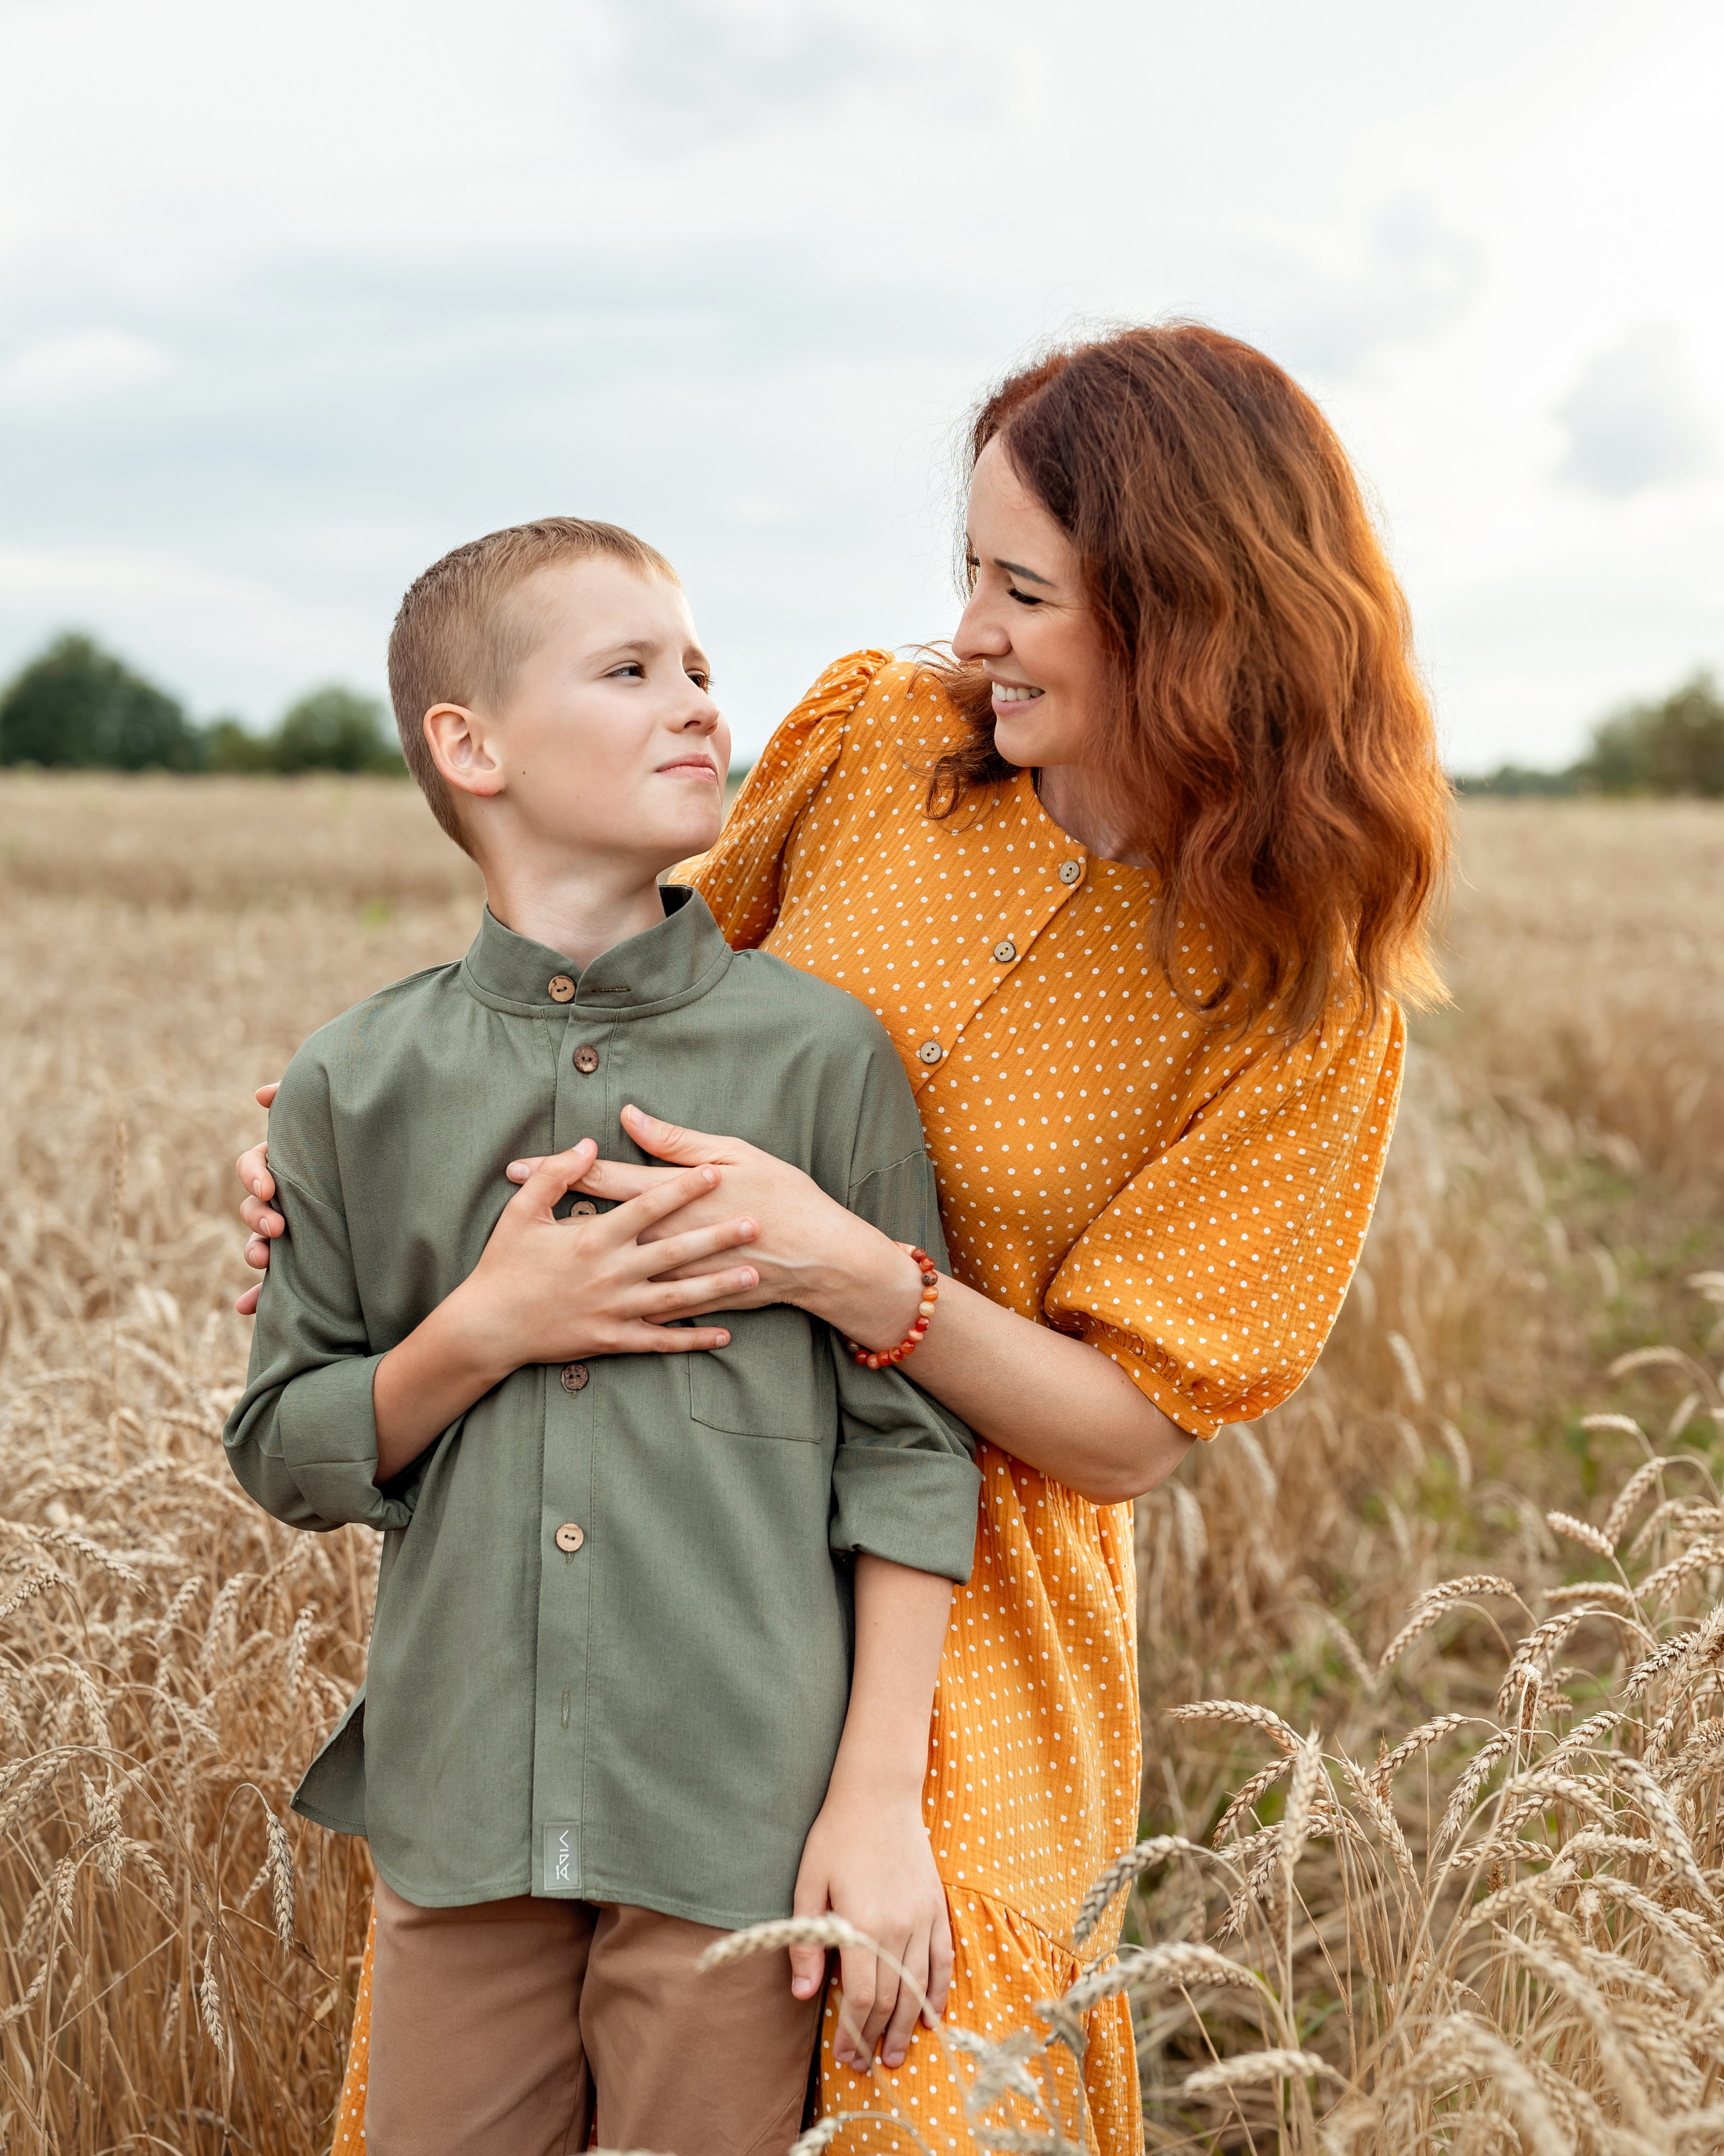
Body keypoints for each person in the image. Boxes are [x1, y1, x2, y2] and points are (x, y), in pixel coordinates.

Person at [238, 325, 1449, 2153]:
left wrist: (851, 1272)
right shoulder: (882, 741)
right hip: (675, 1509)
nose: (966, 631)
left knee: (914, 2093)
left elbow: (1128, 1431)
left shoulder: (1306, 992)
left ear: (1187, 619)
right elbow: (638, 993)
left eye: (1022, 592)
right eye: (970, 571)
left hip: (962, 1600)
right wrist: (343, 1154)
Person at [223, 516, 984, 2156]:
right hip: (458, 1812)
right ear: (470, 745)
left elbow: (908, 1446)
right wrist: (485, 1328)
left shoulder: (818, 1059)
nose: (697, 700)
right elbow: (282, 1445)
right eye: (629, 669)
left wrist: (872, 1794)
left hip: (735, 1815)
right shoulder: (355, 1081)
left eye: (699, 667)